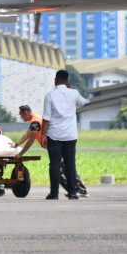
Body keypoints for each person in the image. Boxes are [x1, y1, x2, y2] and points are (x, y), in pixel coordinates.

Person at [12, 105, 88, 196]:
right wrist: (16, 144)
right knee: (62, 169)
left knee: (60, 169)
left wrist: (20, 154)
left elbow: (30, 141)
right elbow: (26, 135)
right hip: (56, 146)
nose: (20, 117)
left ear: (26, 113)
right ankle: (76, 190)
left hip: (57, 146)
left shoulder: (35, 122)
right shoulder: (36, 119)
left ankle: (79, 190)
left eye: (21, 115)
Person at [41, 70, 88, 200]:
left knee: (55, 165)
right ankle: (72, 192)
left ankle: (54, 193)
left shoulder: (50, 95)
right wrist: (71, 88)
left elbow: (46, 118)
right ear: (67, 81)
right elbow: (83, 102)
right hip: (70, 135)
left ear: (56, 80)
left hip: (54, 135)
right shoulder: (74, 93)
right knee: (70, 164)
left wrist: (43, 135)